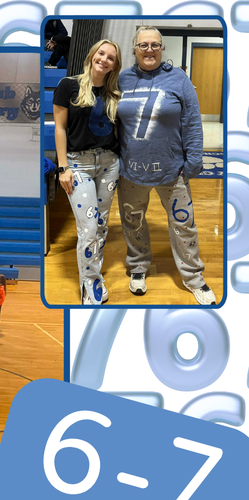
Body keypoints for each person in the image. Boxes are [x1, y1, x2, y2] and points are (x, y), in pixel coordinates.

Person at [117, 26, 214, 305]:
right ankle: (138, 266)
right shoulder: (121, 79)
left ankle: (193, 277)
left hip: (172, 171)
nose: (149, 50)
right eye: (143, 45)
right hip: (131, 171)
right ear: (134, 48)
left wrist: (193, 161)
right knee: (132, 222)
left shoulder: (179, 79)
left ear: (162, 48)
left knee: (184, 225)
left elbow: (193, 122)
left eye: (155, 45)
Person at [53, 38, 123, 305]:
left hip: (109, 164)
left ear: (115, 65)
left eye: (111, 57)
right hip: (78, 164)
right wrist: (63, 168)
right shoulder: (67, 86)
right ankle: (91, 286)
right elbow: (60, 128)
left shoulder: (114, 93)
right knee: (89, 227)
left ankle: (93, 276)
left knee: (101, 226)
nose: (104, 59)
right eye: (101, 53)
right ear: (92, 54)